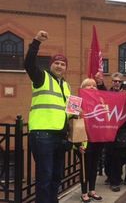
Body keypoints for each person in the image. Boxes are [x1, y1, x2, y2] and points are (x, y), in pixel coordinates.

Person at [24, 30, 72, 203]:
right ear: (51, 65)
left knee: (56, 176)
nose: (59, 66)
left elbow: (69, 112)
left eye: (63, 64)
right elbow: (29, 64)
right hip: (42, 134)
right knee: (45, 177)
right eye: (56, 63)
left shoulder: (66, 86)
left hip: (60, 136)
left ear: (66, 68)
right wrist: (36, 42)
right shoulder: (41, 77)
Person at [75, 78, 103, 202]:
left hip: (96, 139)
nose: (92, 87)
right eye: (88, 85)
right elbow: (71, 122)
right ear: (82, 88)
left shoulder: (100, 100)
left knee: (94, 166)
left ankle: (92, 190)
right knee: (85, 166)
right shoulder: (76, 100)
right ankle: (84, 192)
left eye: (94, 85)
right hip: (83, 139)